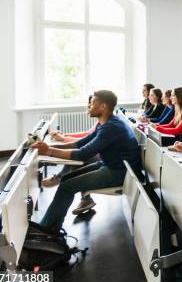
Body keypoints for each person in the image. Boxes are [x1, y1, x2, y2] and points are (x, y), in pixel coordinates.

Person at [31, 90, 141, 231]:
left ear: (103, 106)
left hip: (120, 172)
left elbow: (82, 154)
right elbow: (79, 143)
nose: (89, 106)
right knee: (65, 180)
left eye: (92, 103)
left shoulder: (111, 127)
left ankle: (45, 230)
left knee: (67, 187)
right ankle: (52, 228)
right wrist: (50, 146)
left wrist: (49, 151)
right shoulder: (106, 123)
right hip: (110, 165)